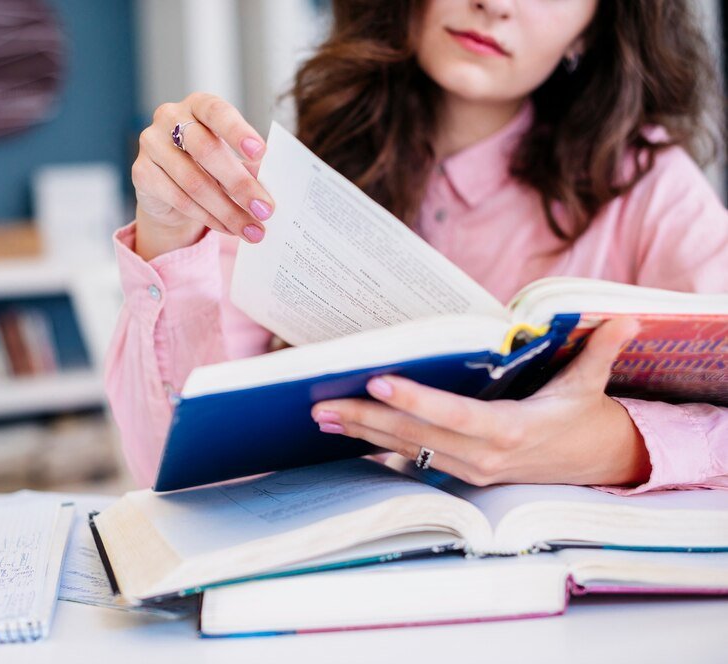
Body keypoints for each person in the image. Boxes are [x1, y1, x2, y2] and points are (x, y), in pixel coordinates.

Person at [106, 0, 728, 492]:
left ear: (594, 26)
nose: (495, 4)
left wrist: (614, 446)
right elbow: (167, 463)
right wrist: (168, 233)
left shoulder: (649, 189)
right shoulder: (294, 175)